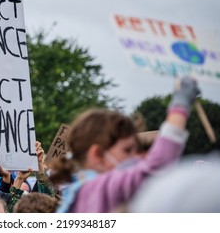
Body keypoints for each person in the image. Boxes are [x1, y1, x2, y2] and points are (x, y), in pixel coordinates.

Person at [51, 76, 200, 212]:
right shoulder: (99, 189)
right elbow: (157, 165)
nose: (135, 157)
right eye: (127, 150)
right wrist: (180, 106)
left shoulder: (78, 194)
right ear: (97, 154)